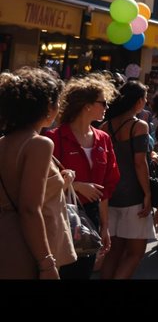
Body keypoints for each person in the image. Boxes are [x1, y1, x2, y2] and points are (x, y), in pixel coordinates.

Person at [0, 68, 75, 279]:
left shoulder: (4, 142)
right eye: (57, 102)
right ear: (46, 107)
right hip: (23, 244)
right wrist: (46, 263)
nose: (59, 108)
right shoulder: (39, 144)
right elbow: (30, 208)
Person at [46, 74, 120, 279]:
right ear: (87, 105)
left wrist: (105, 227)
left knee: (83, 272)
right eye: (103, 102)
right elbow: (42, 182)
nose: (106, 107)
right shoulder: (54, 138)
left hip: (91, 216)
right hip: (60, 214)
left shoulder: (103, 138)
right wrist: (76, 185)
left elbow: (105, 187)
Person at [99, 81, 155, 279]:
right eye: (145, 98)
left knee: (113, 251)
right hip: (133, 195)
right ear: (139, 101)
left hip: (111, 194)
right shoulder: (139, 125)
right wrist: (148, 194)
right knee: (135, 253)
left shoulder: (106, 125)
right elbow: (140, 163)